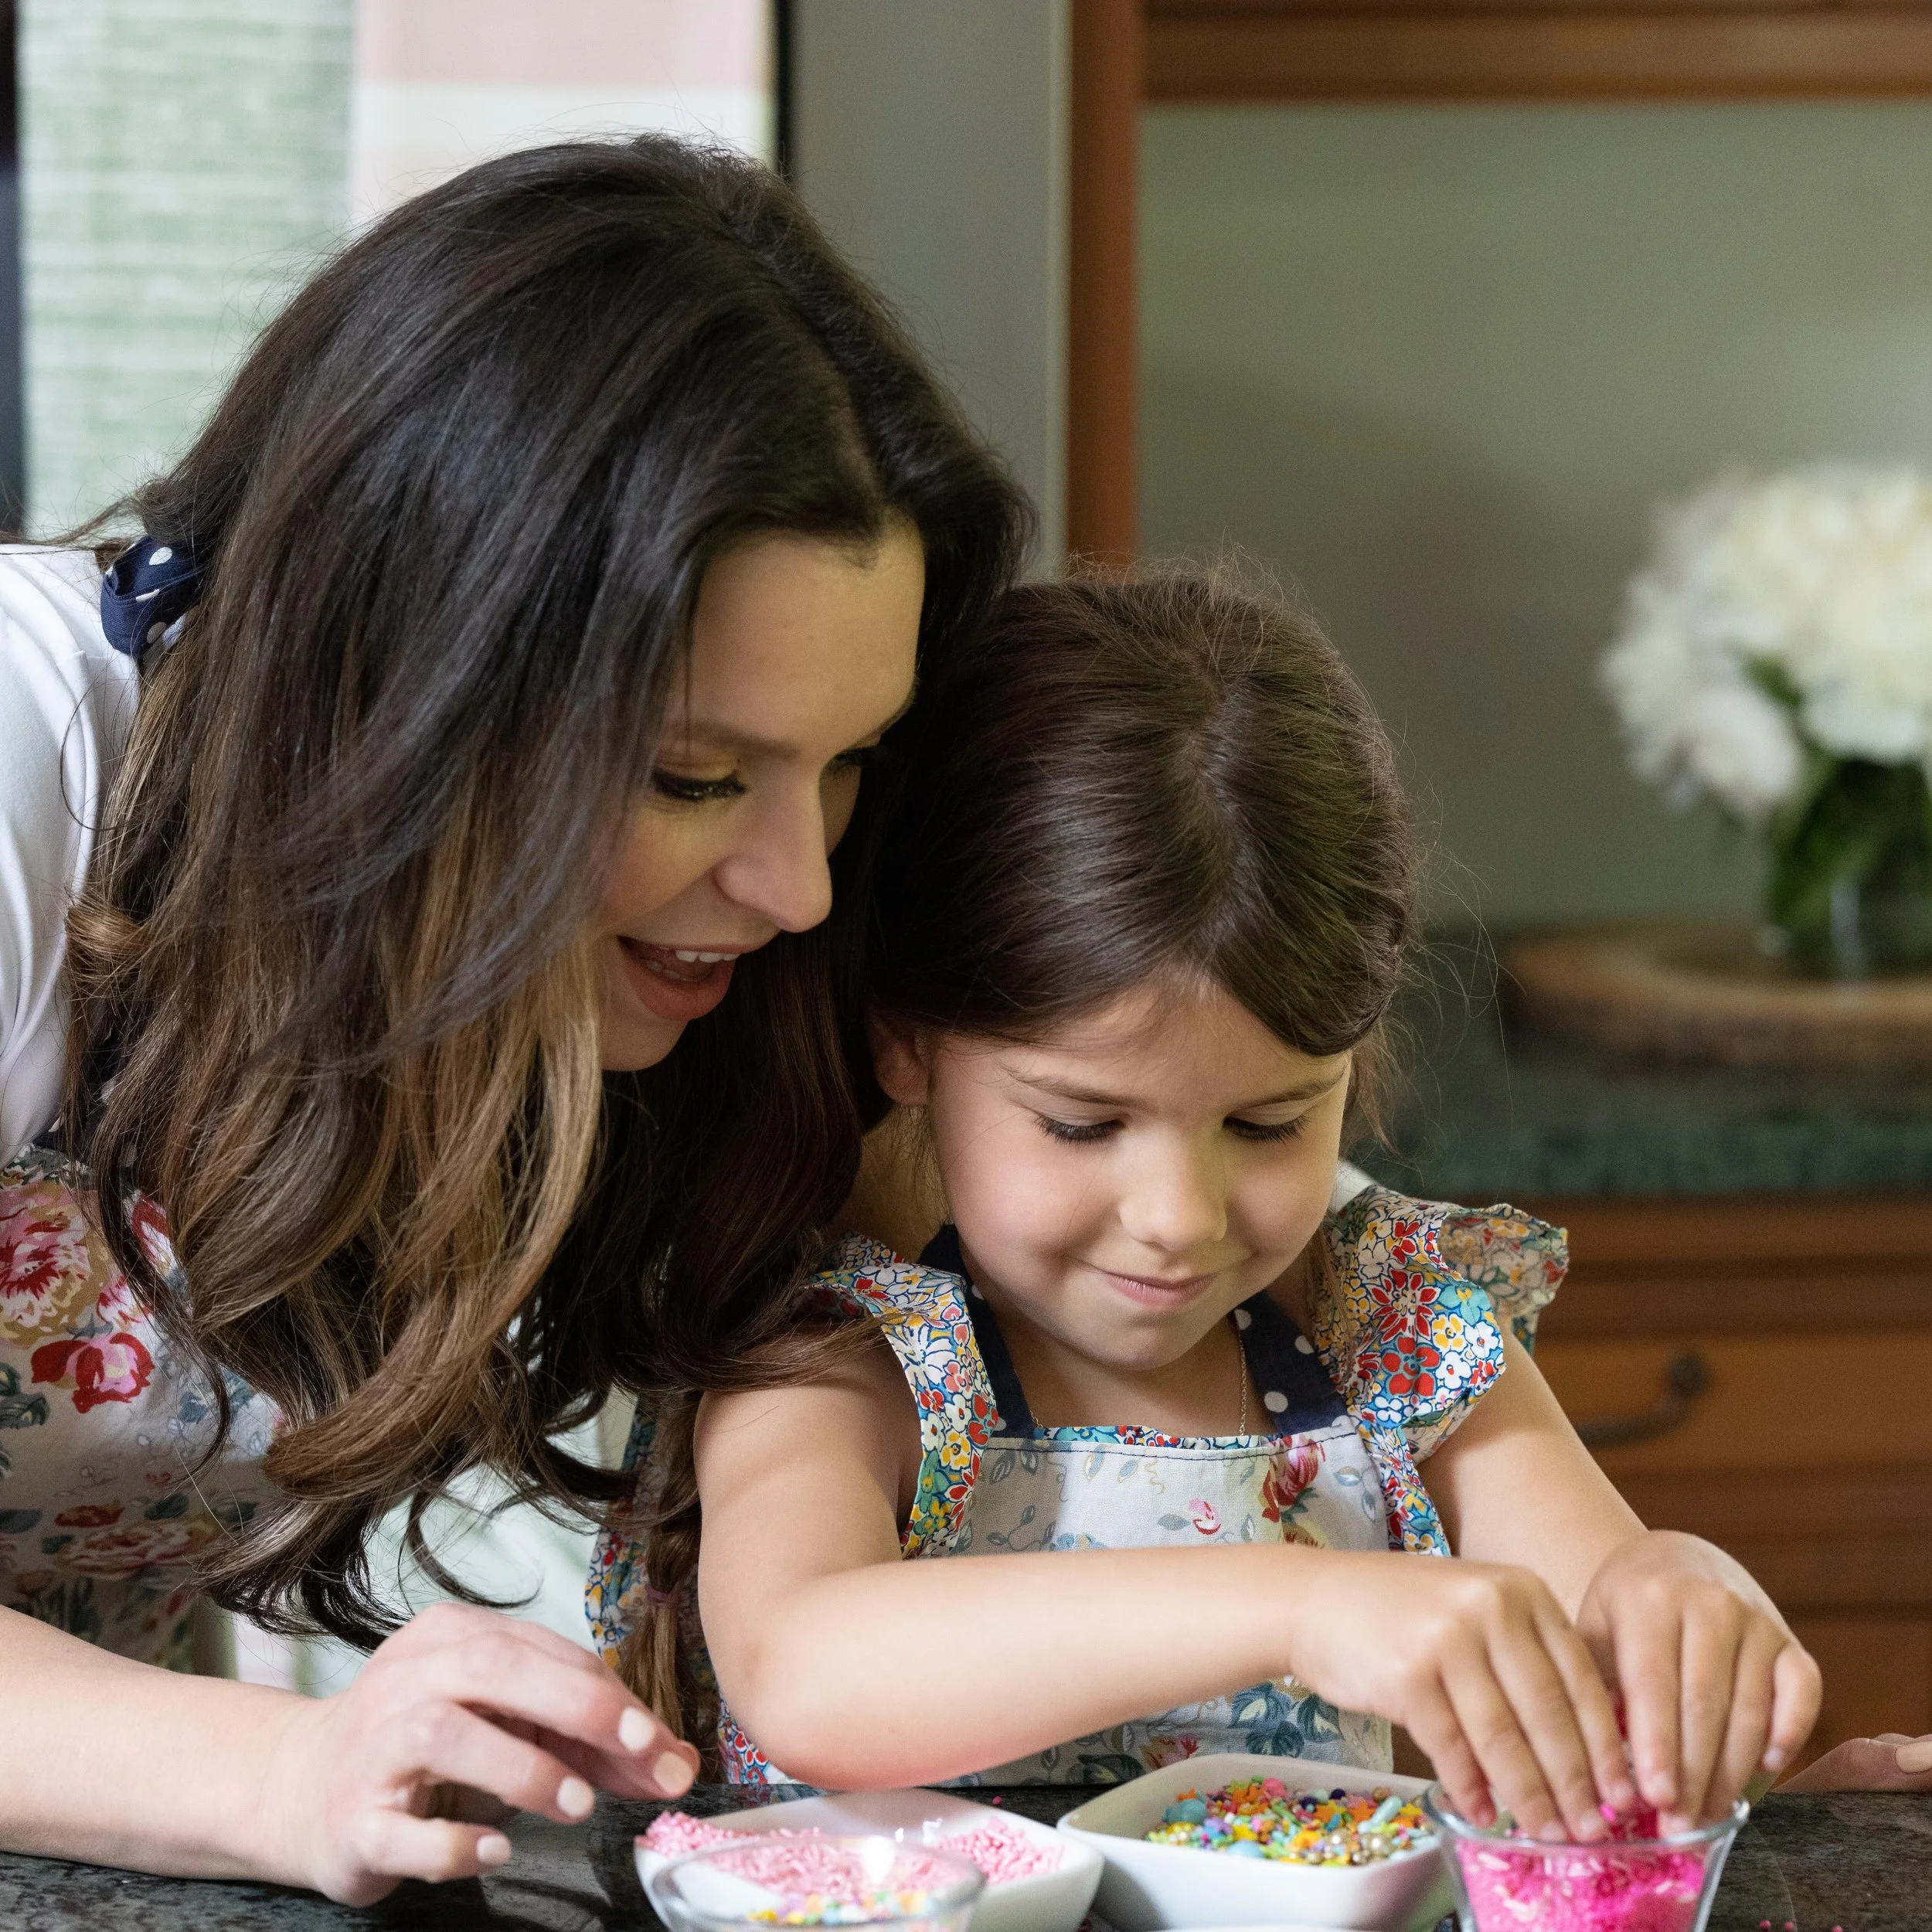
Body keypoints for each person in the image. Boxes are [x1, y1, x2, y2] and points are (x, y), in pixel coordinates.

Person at [0, 136, 1026, 1900]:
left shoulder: (725, 961)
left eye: (844, 764)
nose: (794, 882)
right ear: (413, 699)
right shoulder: (24, 759)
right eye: (691, 775)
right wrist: (289, 1766)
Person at [592, 569, 1821, 1841]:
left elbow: (1606, 1622)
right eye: (1084, 1124)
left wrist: (1682, 1600)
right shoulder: (849, 1355)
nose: (1180, 1215)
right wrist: (1302, 1607)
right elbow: (806, 1674)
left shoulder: (1387, 1327)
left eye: (1269, 1123)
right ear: (910, 1046)